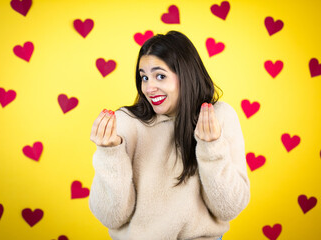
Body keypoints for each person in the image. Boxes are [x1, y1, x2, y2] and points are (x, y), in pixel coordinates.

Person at [89, 31, 250, 240]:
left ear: (186, 75)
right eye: (144, 77)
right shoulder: (126, 123)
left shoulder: (219, 116)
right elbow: (111, 217)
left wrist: (212, 148)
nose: (148, 87)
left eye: (160, 76)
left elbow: (229, 208)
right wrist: (109, 154)